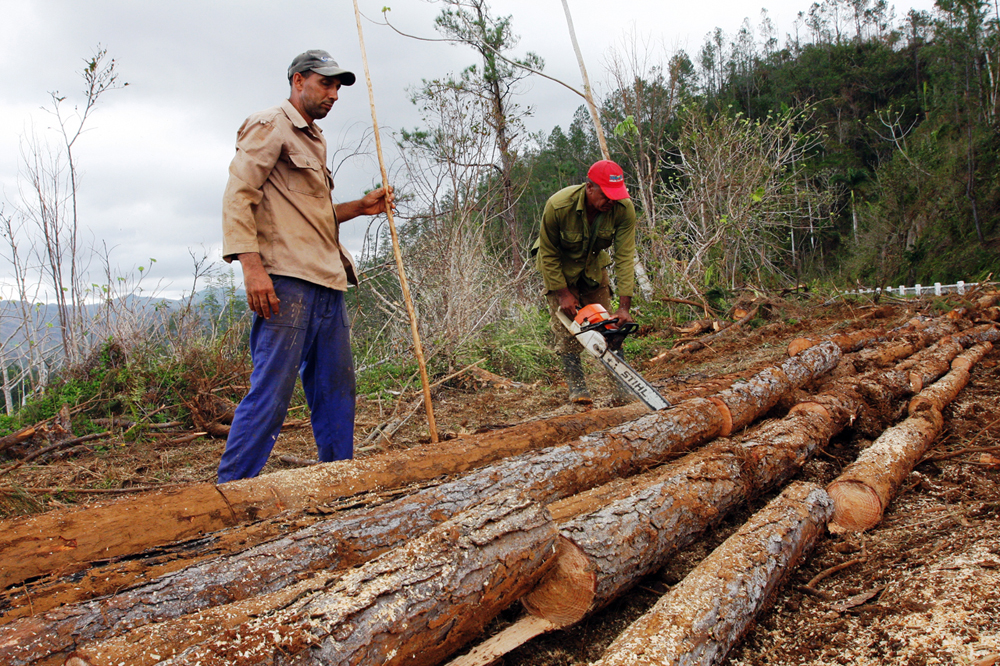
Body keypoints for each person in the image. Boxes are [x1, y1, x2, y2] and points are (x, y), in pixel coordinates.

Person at [217, 50, 393, 483]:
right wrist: (252, 269)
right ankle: (231, 493)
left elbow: (305, 214)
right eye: (325, 84)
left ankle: (338, 484)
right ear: (297, 81)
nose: (333, 94)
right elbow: (239, 195)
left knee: (336, 391)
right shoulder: (269, 124)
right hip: (288, 284)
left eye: (337, 88)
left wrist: (357, 207)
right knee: (273, 392)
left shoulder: (313, 138)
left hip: (327, 282)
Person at [532, 159, 637, 405]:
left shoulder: (623, 209)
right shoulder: (559, 206)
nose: (610, 201)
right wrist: (563, 294)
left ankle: (621, 388)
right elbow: (547, 253)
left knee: (609, 327)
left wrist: (624, 307)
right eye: (606, 195)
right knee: (569, 331)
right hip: (559, 271)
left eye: (615, 195)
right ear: (590, 187)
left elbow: (624, 257)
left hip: (592, 269)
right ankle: (578, 389)